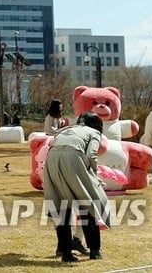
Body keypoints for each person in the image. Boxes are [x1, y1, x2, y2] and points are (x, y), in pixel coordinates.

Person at [43, 112, 109, 262]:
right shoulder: (93, 132)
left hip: (52, 160)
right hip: (73, 159)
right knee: (87, 204)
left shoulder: (66, 130)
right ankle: (95, 251)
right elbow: (91, 154)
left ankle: (65, 252)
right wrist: (93, 175)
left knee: (61, 208)